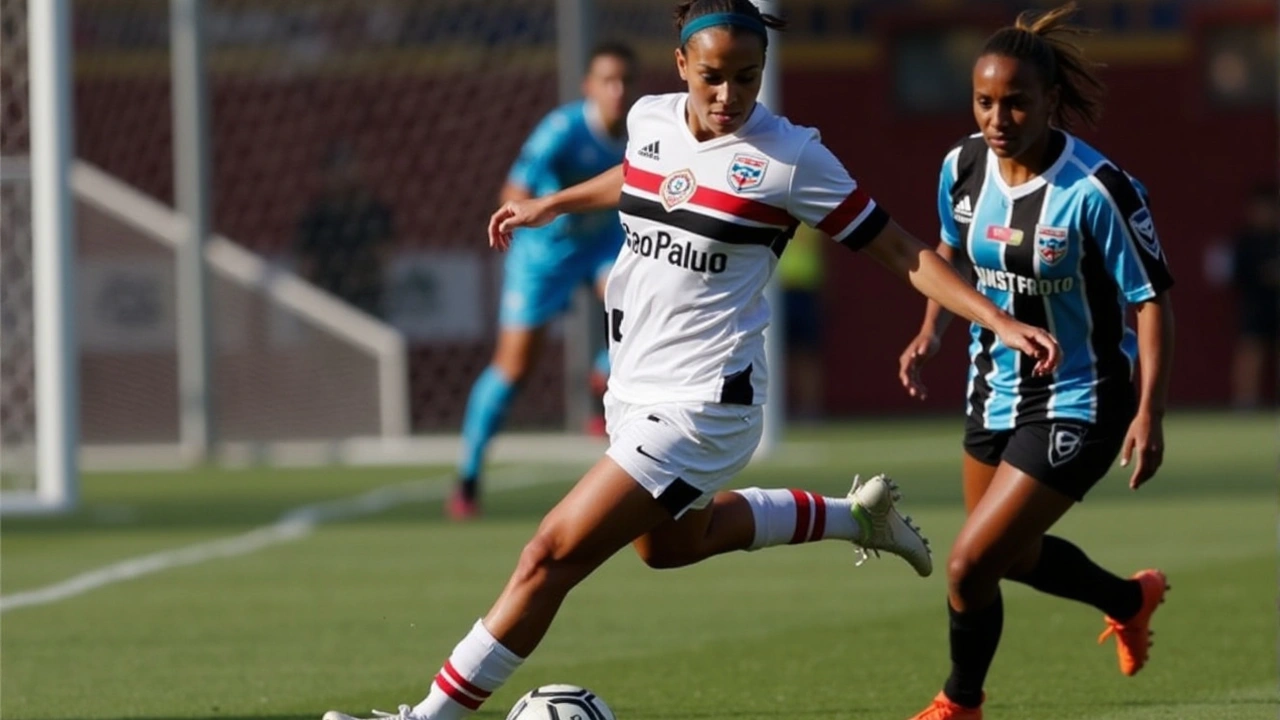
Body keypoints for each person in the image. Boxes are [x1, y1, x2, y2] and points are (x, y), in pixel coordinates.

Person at [323, 2, 1059, 718]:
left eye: (747, 76)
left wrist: (993, 317)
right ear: (682, 65)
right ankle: (855, 519)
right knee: (671, 547)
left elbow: (899, 247)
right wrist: (557, 204)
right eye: (712, 77)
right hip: (634, 388)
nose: (729, 94)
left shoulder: (791, 157)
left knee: (548, 554)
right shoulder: (648, 119)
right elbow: (638, 179)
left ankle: (425, 717)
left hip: (707, 402)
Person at [895, 4, 1176, 718]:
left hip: (1083, 396)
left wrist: (1149, 410)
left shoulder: (1099, 190)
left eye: (1016, 102)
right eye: (985, 101)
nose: (998, 116)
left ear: (1052, 101)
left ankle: (960, 703)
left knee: (967, 564)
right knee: (1005, 561)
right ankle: (1127, 598)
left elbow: (1149, 301)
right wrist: (931, 329)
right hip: (991, 389)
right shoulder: (960, 167)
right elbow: (948, 256)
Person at [449, 42, 639, 520]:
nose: (617, 91)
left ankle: (604, 368)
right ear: (588, 87)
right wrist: (516, 211)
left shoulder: (644, 131)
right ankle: (468, 476)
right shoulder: (562, 129)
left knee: (639, 306)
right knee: (513, 369)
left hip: (603, 247)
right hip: (545, 255)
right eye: (607, 81)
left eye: (625, 81)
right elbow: (515, 187)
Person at [296, 143, 394, 317]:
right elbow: (306, 266)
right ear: (325, 174)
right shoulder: (316, 220)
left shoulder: (372, 214)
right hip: (328, 299)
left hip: (366, 297)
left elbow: (385, 258)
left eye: (347, 167)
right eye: (336, 169)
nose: (342, 175)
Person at [1228, 184, 1278, 410]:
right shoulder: (1245, 241)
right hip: (1255, 306)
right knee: (1251, 353)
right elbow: (1237, 274)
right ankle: (1246, 403)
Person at [777, 223, 826, 420]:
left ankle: (809, 409)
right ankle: (777, 409)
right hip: (778, 291)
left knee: (806, 354)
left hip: (805, 289)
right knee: (776, 354)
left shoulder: (810, 218)